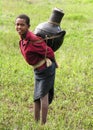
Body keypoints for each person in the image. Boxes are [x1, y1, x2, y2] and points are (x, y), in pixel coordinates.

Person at [15, 14, 57, 125]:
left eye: (22, 25)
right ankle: (35, 122)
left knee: (43, 95)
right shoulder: (23, 39)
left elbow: (50, 52)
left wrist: (54, 62)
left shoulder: (33, 40)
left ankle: (43, 124)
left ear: (28, 26)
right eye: (17, 24)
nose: (19, 27)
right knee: (36, 96)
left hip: (45, 69)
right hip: (38, 70)